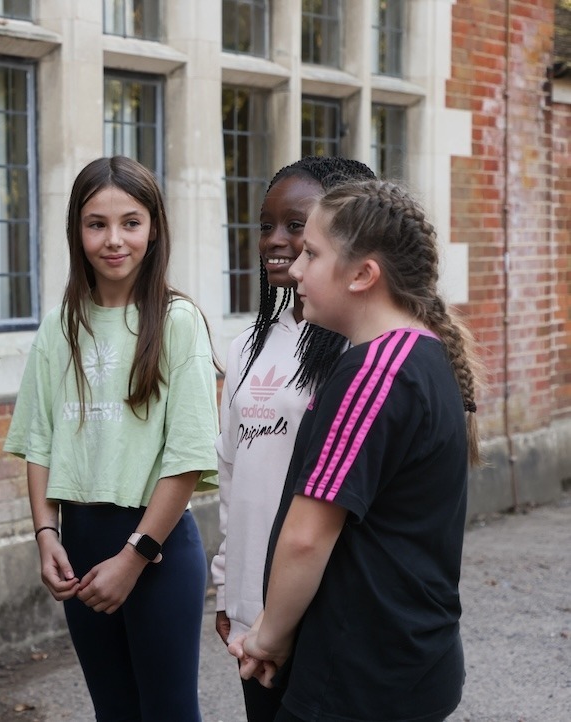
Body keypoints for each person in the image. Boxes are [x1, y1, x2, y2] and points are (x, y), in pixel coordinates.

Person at [229, 179, 481, 722]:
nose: (295, 269)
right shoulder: (421, 354)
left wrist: (268, 638)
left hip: (361, 675)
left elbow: (305, 538)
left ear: (364, 274)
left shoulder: (374, 373)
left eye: (313, 254)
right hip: (401, 664)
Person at [4, 156, 219, 721]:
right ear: (77, 230)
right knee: (113, 712)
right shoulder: (60, 326)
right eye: (96, 223)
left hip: (158, 548)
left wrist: (134, 557)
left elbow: (188, 457)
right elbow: (39, 440)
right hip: (80, 543)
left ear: (154, 228)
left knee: (168, 712)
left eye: (131, 222)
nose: (113, 240)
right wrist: (46, 534)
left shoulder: (177, 322)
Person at [210, 156, 374, 722]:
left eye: (295, 225)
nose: (276, 241)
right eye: (265, 225)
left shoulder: (358, 350)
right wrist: (228, 587)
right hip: (253, 607)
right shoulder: (244, 348)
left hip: (323, 609)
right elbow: (232, 475)